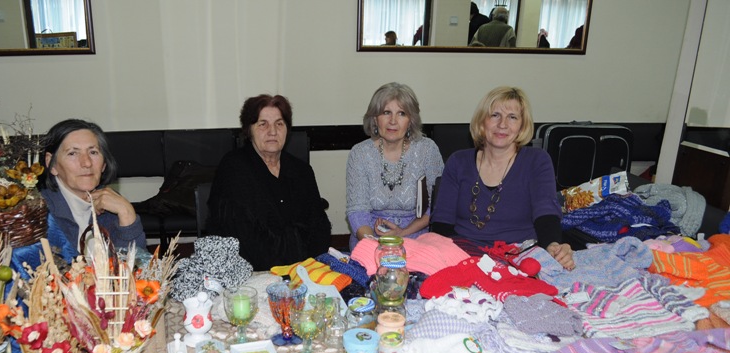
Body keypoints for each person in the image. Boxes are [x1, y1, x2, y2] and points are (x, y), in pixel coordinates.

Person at [431, 87, 574, 270]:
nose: (503, 124)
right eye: (495, 115)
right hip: (462, 253)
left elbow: (546, 213)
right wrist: (446, 259)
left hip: (518, 256)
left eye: (512, 117)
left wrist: (553, 246)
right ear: (482, 121)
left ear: (522, 126)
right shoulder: (458, 161)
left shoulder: (537, 161)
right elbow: (442, 222)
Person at [207, 94, 331, 271]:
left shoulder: (302, 170)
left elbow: (319, 227)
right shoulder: (234, 168)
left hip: (303, 268)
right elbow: (246, 238)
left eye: (279, 124)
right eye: (263, 124)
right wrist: (292, 253)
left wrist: (306, 265)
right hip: (251, 271)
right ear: (249, 130)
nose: (272, 131)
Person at [346, 82, 444, 250]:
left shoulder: (427, 150)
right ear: (375, 119)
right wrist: (375, 246)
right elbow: (357, 211)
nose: (393, 121)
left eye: (401, 114)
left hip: (416, 237)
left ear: (410, 121)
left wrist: (402, 233)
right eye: (386, 113)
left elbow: (437, 205)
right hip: (370, 239)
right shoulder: (360, 153)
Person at [39, 119, 146, 254]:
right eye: (72, 153)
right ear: (52, 164)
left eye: (93, 152)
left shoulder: (111, 203)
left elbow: (135, 263)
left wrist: (127, 214)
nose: (87, 163)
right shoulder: (38, 213)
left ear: (104, 164)